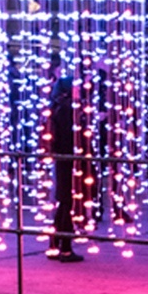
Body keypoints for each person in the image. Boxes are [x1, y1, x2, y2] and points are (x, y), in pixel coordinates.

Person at [46, 74, 81, 261]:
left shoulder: (57, 106)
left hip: (61, 159)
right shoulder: (68, 109)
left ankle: (55, 243)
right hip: (68, 160)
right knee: (66, 201)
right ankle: (65, 248)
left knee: (63, 201)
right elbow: (71, 138)